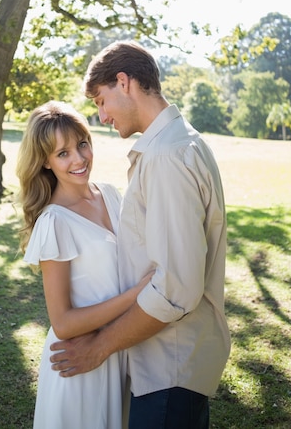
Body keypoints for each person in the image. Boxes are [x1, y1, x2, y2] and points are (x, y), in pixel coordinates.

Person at [50, 42, 231, 429]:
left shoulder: (167, 157)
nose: (101, 116)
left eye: (102, 101)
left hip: (170, 366)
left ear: (123, 82)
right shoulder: (184, 142)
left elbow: (174, 290)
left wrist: (98, 348)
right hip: (177, 364)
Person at [16, 100, 151, 429]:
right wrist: (137, 295)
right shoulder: (54, 222)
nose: (78, 159)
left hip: (120, 347)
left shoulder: (111, 194)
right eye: (62, 154)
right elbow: (62, 323)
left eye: (82, 144)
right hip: (78, 364)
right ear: (46, 163)